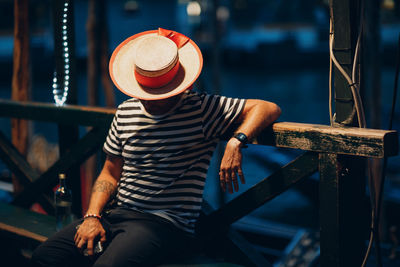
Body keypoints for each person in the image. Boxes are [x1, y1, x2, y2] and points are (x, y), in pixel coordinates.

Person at [31, 28, 281, 267]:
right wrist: (92, 216)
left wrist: (237, 141)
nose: (152, 101)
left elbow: (268, 108)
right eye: (147, 93)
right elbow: (109, 172)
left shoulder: (202, 109)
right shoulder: (126, 111)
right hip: (115, 213)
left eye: (160, 94)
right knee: (45, 257)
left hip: (165, 224)